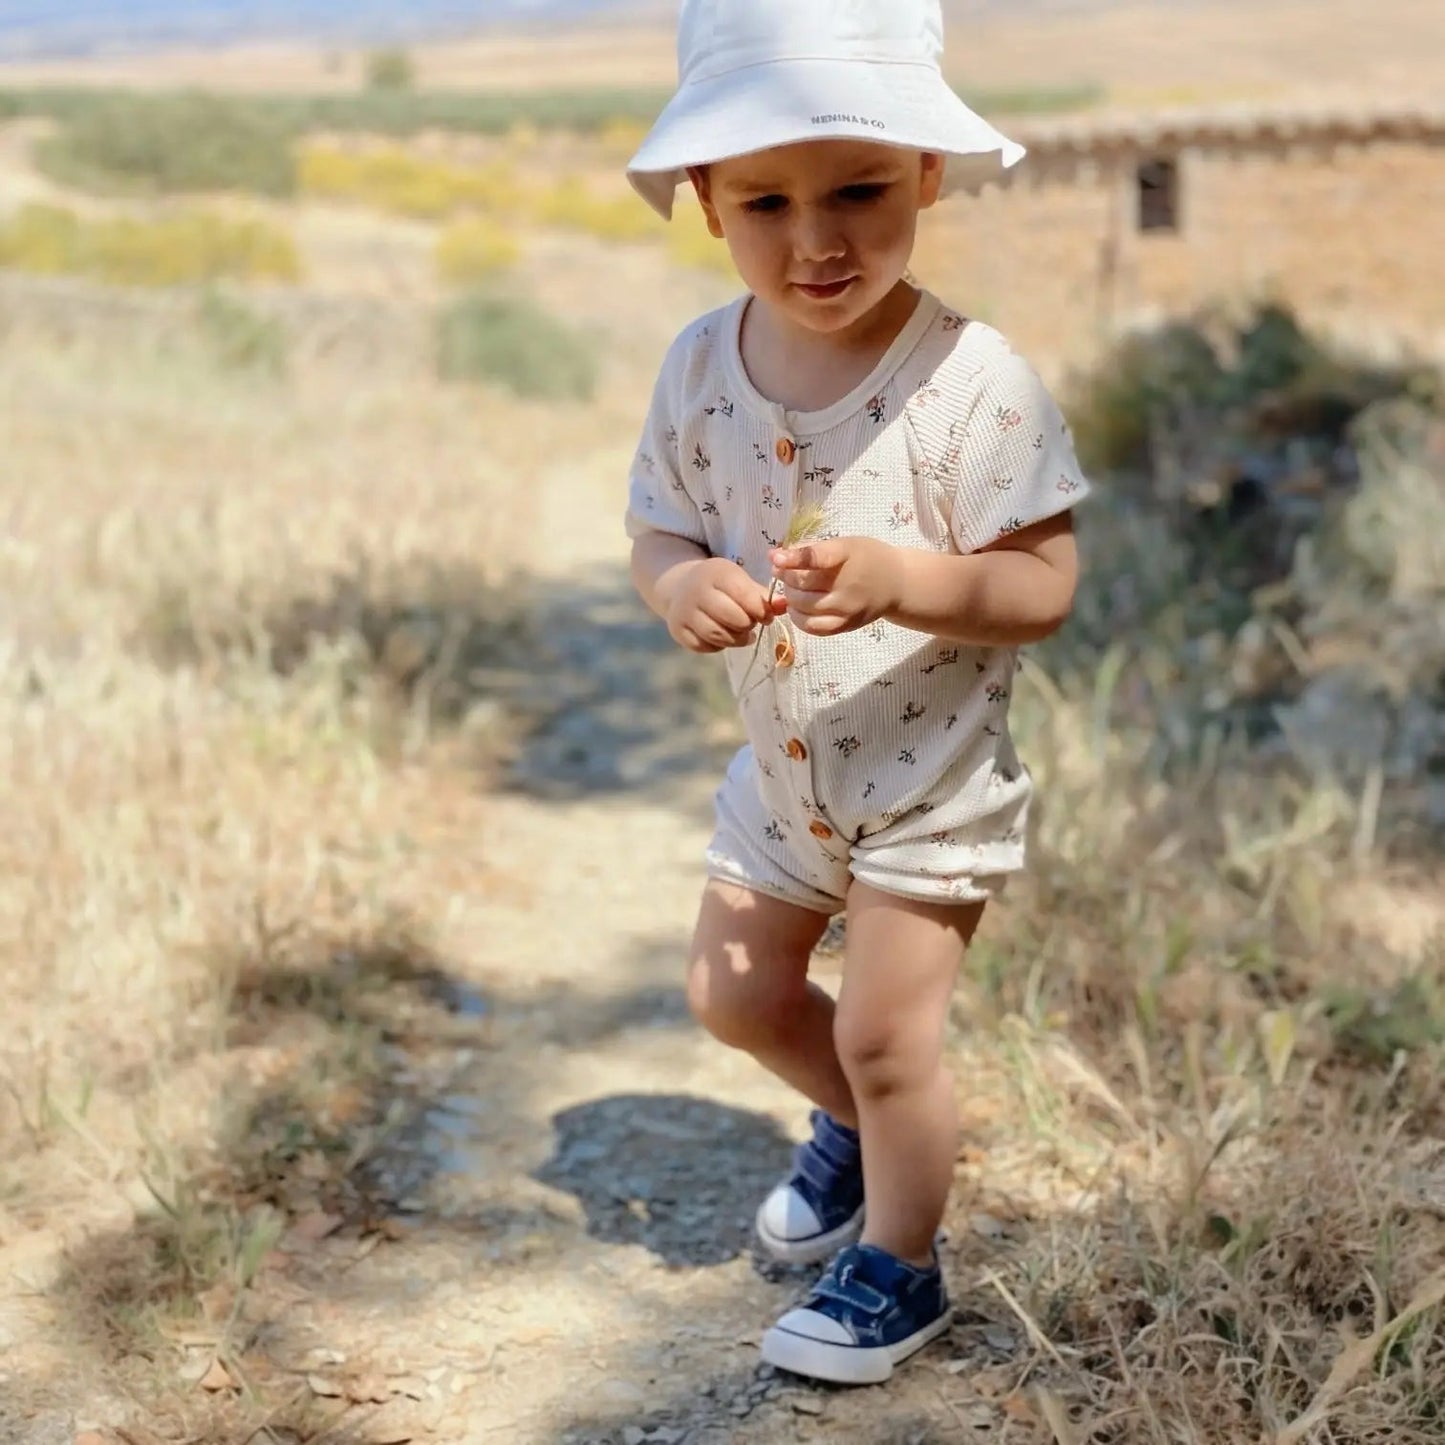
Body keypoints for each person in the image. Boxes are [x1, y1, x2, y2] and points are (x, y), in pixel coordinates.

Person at [622, 0, 1090, 1386]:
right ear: (705, 201)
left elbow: (1042, 587)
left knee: (888, 1034)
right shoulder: (699, 367)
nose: (814, 238)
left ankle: (899, 1261)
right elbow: (660, 524)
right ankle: (859, 1123)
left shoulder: (969, 382)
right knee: (729, 989)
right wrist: (673, 586)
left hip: (923, 787)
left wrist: (904, 577)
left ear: (925, 176)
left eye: (858, 192)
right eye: (763, 201)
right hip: (781, 780)